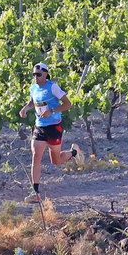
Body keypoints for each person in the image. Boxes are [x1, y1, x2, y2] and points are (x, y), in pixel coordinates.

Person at [18, 63, 81, 203]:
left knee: (56, 160)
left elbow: (68, 104)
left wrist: (51, 111)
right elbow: (32, 102)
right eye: (34, 74)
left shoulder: (52, 87)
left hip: (54, 127)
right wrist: (25, 109)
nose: (36, 77)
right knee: (36, 156)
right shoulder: (33, 88)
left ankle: (74, 152)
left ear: (46, 74)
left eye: (38, 74)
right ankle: (35, 192)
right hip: (39, 127)